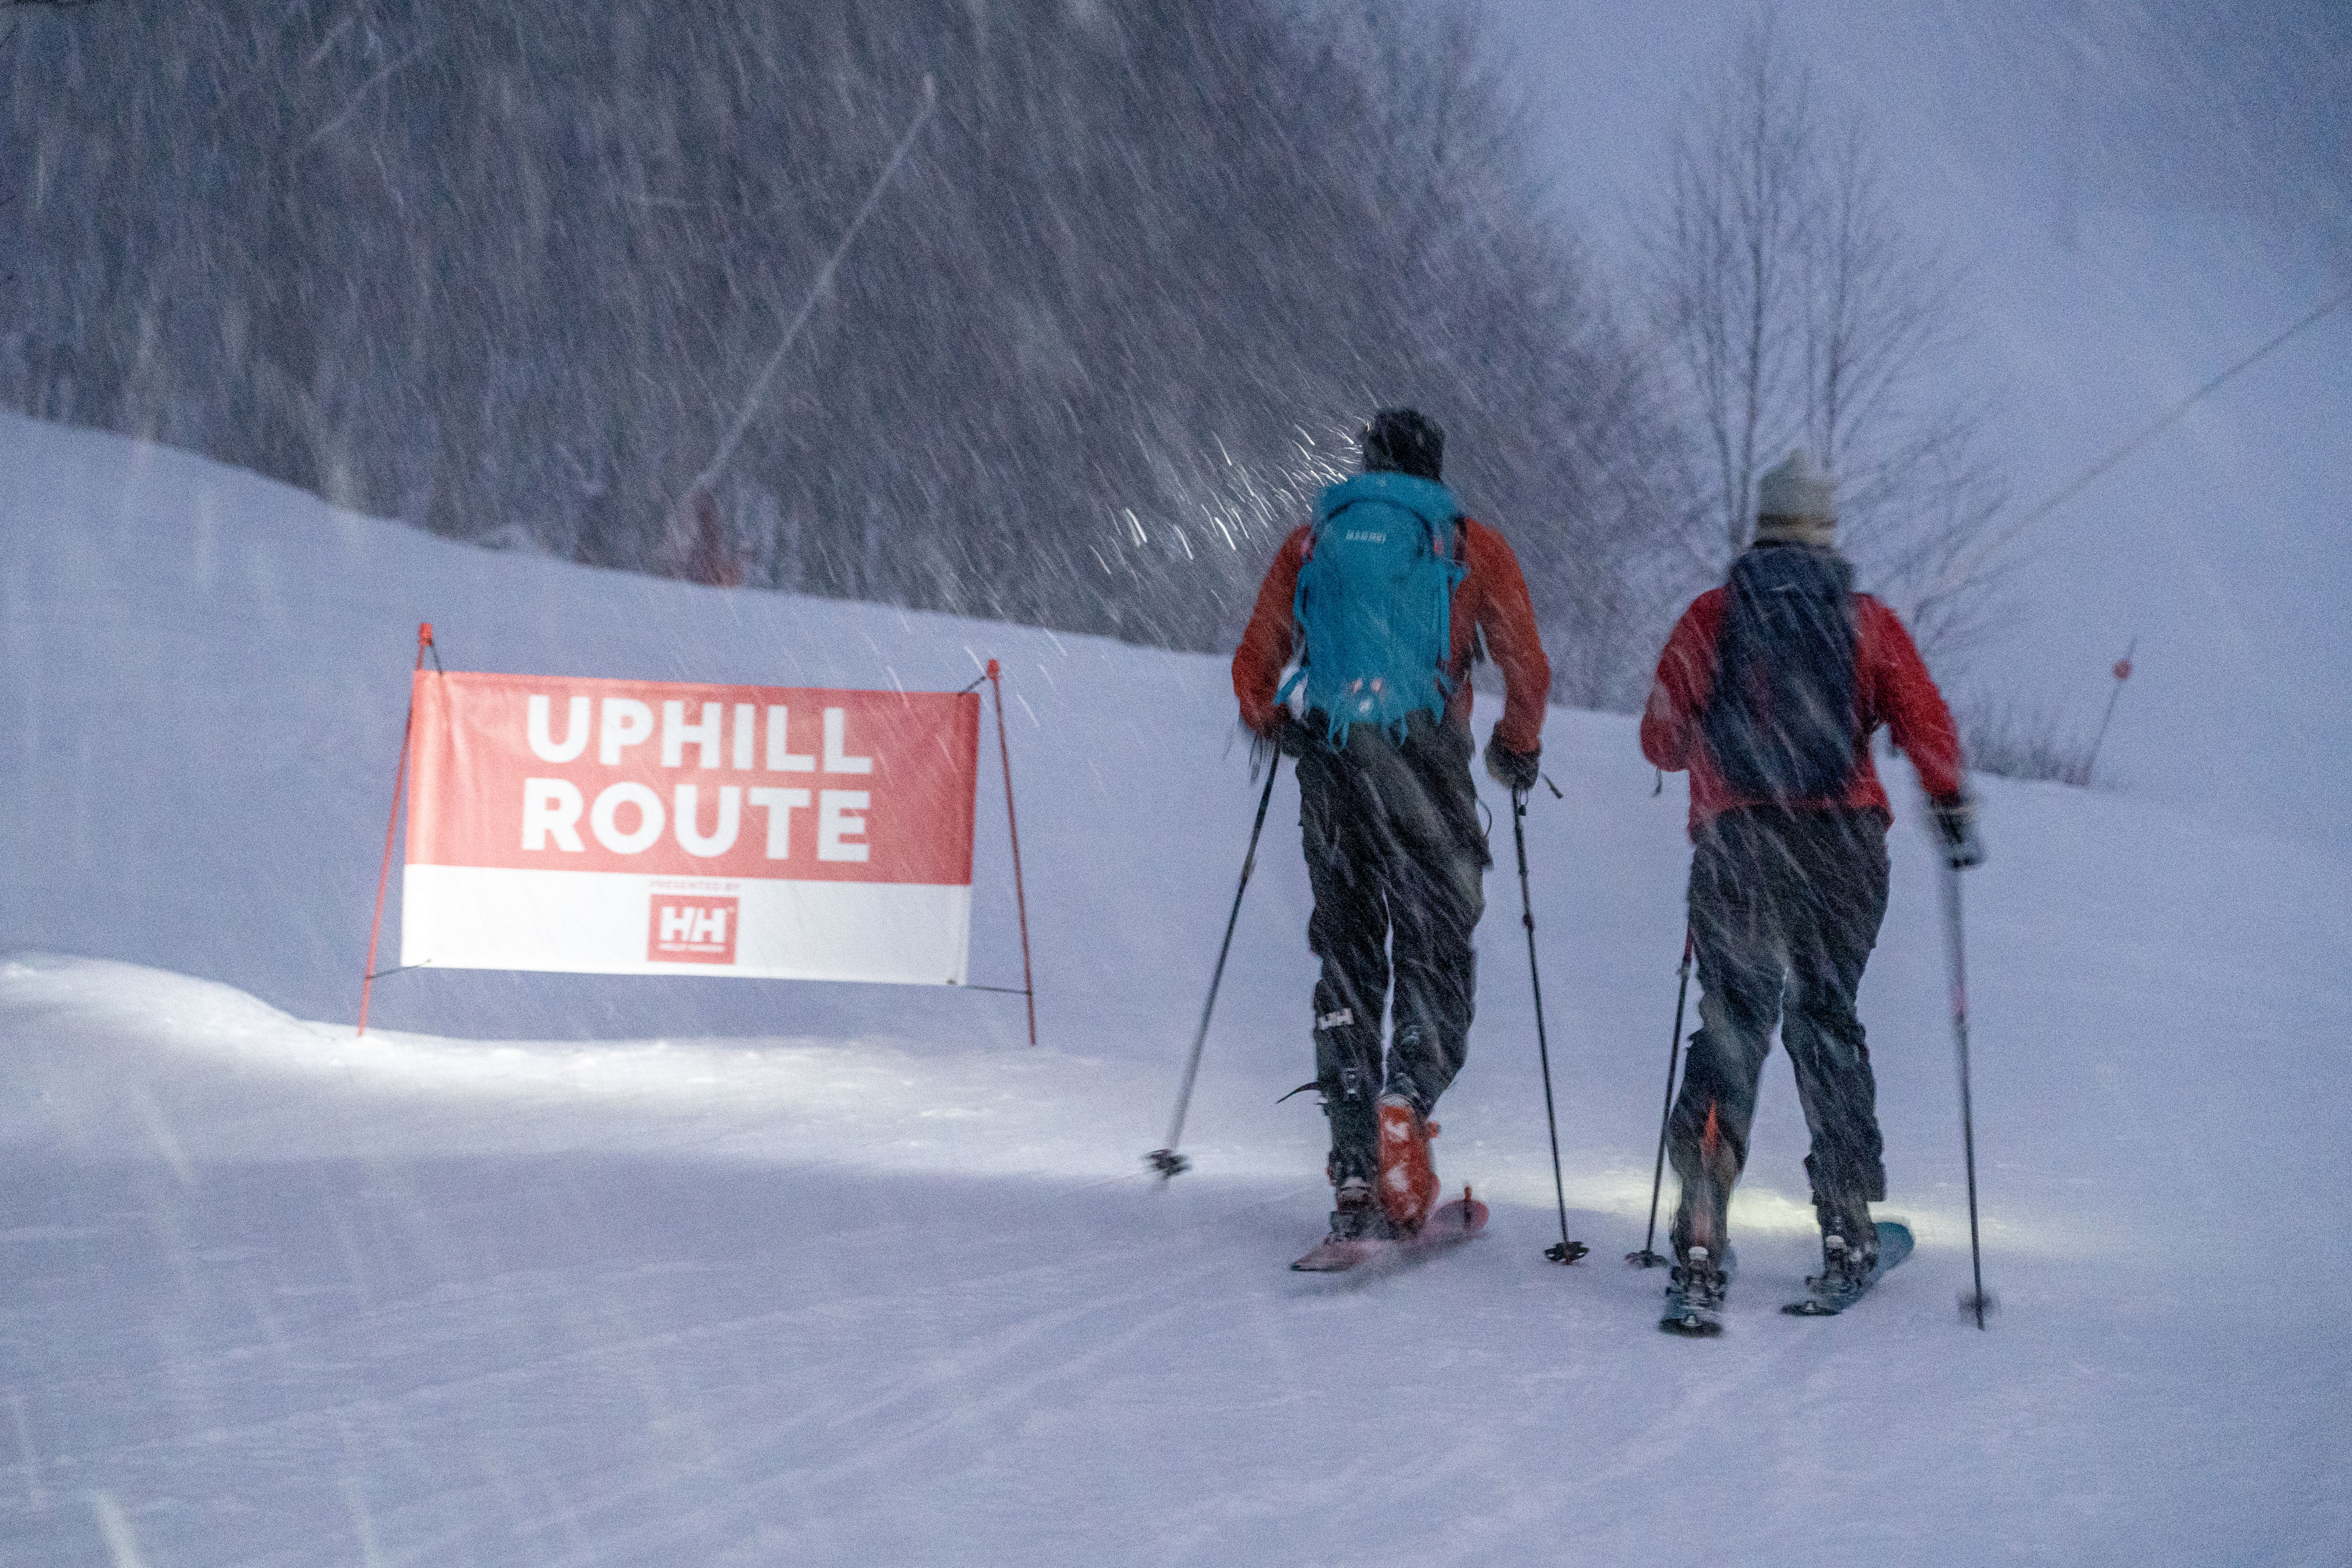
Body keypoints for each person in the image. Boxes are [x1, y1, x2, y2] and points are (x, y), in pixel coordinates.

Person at [1641, 449, 1983, 1326]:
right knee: (1825, 1023)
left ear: (1759, 527)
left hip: (1739, 846)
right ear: (1825, 530)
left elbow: (1660, 739)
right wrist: (1948, 803)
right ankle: (1846, 1233)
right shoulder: (1865, 620)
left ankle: (1703, 1232)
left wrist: (1727, 738)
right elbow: (1926, 722)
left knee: (1732, 1028)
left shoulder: (1713, 616)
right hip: (1841, 849)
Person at [1231, 409, 1553, 1252]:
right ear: (1436, 473)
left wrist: (1275, 723)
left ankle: (1350, 1164)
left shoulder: (1314, 542)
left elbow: (1255, 663)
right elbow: (1529, 667)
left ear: (1368, 464)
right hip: (1425, 773)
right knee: (1434, 947)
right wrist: (1516, 750)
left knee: (1346, 958)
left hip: (1333, 773)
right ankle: (1405, 1098)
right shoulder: (1467, 545)